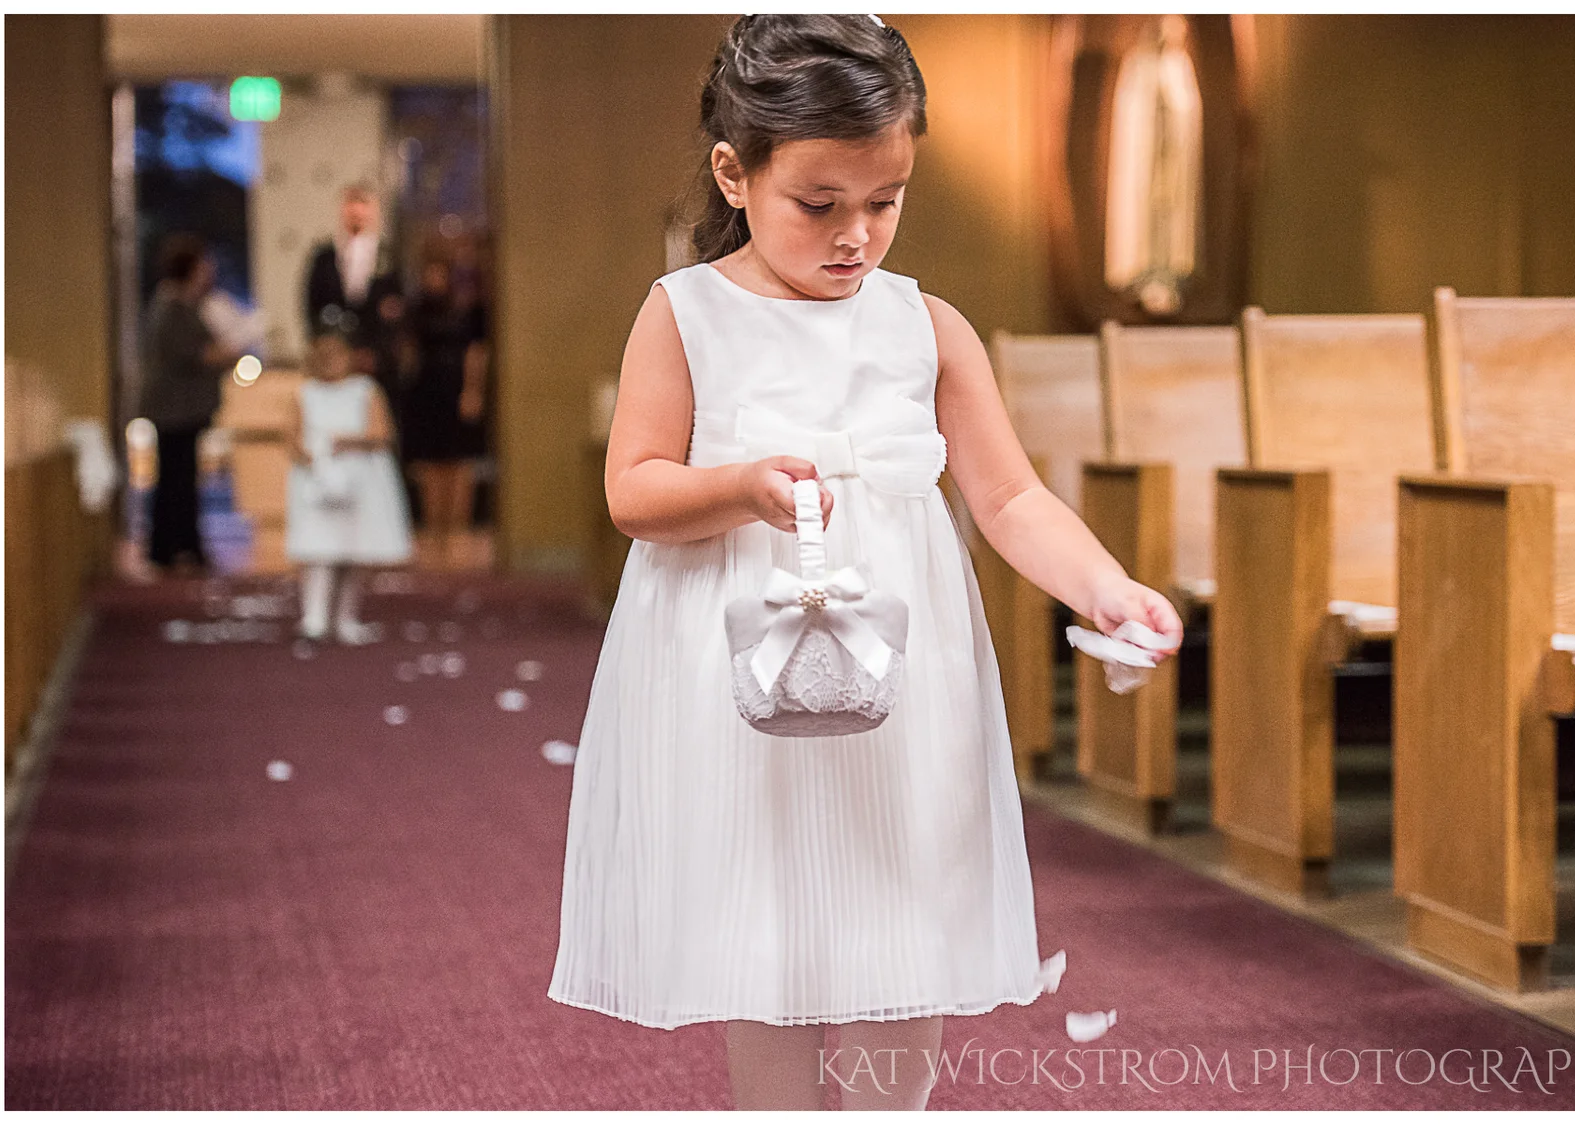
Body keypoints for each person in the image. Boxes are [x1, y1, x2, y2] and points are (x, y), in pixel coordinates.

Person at [546, 16, 1185, 1111]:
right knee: (765, 922)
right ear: (733, 175)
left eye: (885, 202)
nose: (856, 236)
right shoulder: (686, 313)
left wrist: (1103, 584)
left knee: (903, 903)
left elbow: (1009, 495)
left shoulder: (925, 324)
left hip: (901, 672)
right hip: (738, 666)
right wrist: (739, 486)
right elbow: (633, 491)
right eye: (820, 205)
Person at [286, 327, 413, 643]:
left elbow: (382, 433)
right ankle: (313, 618)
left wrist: (348, 442)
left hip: (359, 481)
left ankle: (345, 619)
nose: (331, 361)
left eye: (337, 354)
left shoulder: (364, 389)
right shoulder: (305, 393)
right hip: (319, 482)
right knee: (320, 552)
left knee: (353, 553)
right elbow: (291, 437)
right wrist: (314, 461)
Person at [138, 234, 235, 576]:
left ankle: (181, 545)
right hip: (173, 409)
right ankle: (169, 548)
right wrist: (232, 348)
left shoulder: (184, 305)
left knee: (182, 477)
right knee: (174, 479)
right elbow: (196, 355)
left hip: (183, 408)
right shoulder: (172, 307)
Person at [398, 256, 490, 568]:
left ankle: (457, 531)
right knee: (430, 466)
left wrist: (473, 390)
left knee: (459, 464)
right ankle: (433, 531)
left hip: (456, 388)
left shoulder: (465, 310)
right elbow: (407, 349)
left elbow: (476, 352)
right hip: (425, 391)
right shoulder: (416, 310)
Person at [302, 184, 405, 399]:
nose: (357, 212)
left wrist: (377, 351)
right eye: (351, 205)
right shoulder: (324, 257)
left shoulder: (389, 256)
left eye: (363, 205)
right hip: (335, 355)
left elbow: (396, 309)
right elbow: (312, 307)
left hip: (377, 360)